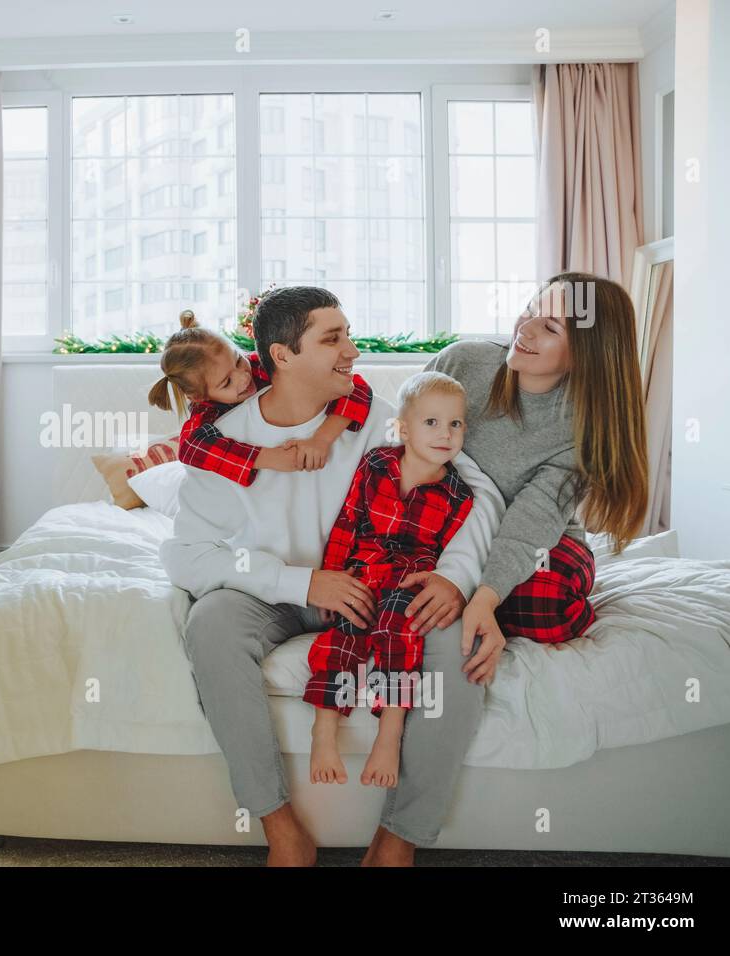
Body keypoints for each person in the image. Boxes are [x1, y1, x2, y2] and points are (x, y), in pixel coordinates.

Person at [160, 286, 506, 867]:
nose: (353, 347)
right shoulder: (227, 443)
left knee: (454, 634)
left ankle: (399, 839)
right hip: (274, 594)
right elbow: (185, 555)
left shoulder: (376, 416)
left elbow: (481, 492)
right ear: (282, 356)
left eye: (348, 332)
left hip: (378, 591)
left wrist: (455, 577)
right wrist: (300, 582)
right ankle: (281, 827)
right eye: (333, 337)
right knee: (210, 623)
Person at [360, 270, 651, 867]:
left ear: (586, 353)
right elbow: (400, 441)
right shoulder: (465, 363)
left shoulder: (580, 424)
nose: (523, 329)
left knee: (543, 604)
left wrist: (485, 598)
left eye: (548, 327)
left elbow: (532, 517)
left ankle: (402, 836)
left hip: (535, 537)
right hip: (439, 529)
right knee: (398, 590)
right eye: (527, 311)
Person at [305, 372, 477, 791]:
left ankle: (390, 732)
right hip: (363, 570)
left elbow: (456, 556)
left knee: (399, 635)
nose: (445, 434)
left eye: (455, 424)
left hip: (408, 581)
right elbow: (347, 520)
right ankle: (323, 732)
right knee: (341, 637)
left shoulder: (459, 495)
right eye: (431, 423)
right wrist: (332, 572)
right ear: (403, 429)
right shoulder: (377, 464)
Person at [148, 309, 373, 481]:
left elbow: (356, 388)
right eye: (227, 382)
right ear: (200, 396)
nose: (243, 377)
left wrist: (321, 439)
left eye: (238, 360)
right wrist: (269, 457)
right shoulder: (205, 411)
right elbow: (190, 448)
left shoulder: (264, 365)